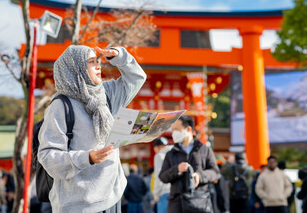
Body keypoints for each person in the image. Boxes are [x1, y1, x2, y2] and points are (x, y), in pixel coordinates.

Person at [38, 45, 146, 213]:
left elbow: (137, 78)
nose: (98, 66)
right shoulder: (61, 105)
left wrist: (119, 56)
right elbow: (47, 156)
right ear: (76, 67)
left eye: (98, 61)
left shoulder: (106, 94)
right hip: (79, 204)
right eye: (91, 62)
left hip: (112, 197)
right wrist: (87, 157)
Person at [159, 115, 219, 213]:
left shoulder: (204, 150)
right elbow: (162, 176)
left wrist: (200, 176)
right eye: (173, 130)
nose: (173, 133)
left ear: (189, 129)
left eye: (177, 129)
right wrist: (176, 169)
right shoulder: (171, 153)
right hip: (177, 204)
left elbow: (215, 172)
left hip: (200, 201)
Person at [153, 137, 172, 213]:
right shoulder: (174, 153)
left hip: (164, 193)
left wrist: (156, 194)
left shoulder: (159, 156)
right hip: (176, 191)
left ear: (157, 147)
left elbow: (158, 177)